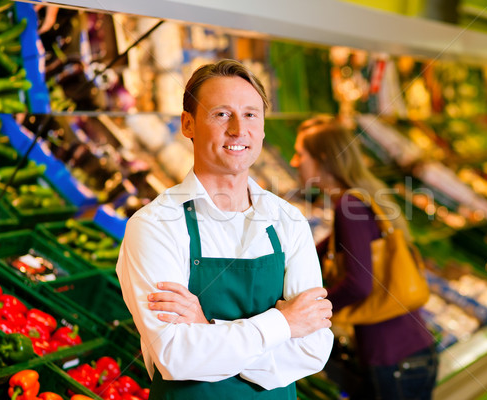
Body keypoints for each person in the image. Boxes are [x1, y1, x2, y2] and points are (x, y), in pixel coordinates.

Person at [116, 59, 334, 400]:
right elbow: (176, 355)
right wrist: (283, 324)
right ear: (188, 124)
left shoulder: (288, 220)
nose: (238, 129)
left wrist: (207, 331)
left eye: (250, 114)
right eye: (221, 114)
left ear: (262, 128)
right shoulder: (153, 225)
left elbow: (314, 349)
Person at [290, 116, 438, 400]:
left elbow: (359, 285)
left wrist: (305, 315)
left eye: (300, 154)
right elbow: (323, 250)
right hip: (411, 352)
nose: (295, 162)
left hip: (393, 358)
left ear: (323, 158)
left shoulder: (348, 205)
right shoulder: (361, 199)